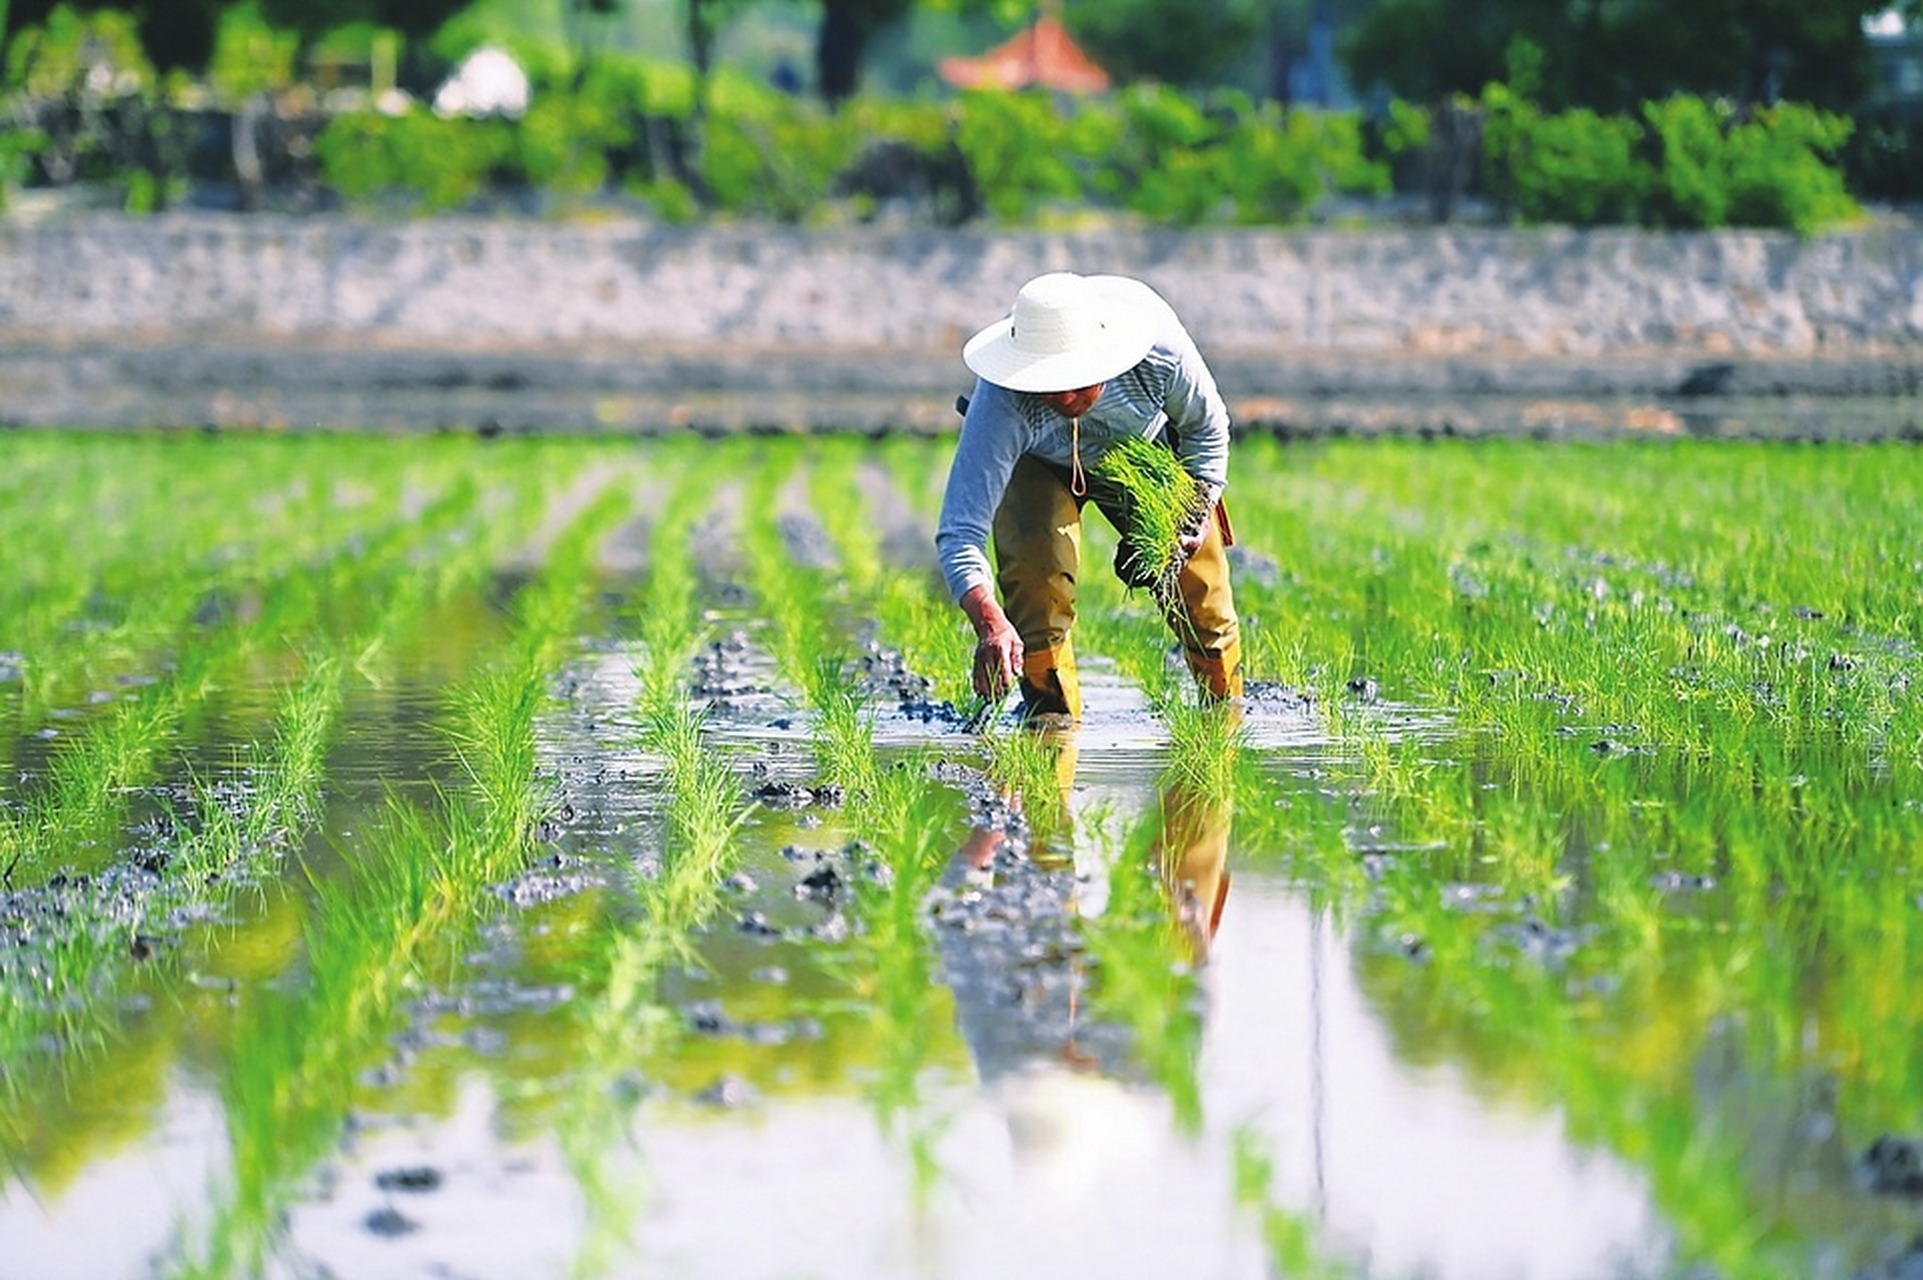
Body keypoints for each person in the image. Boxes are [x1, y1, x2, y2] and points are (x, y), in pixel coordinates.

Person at [937, 270, 1242, 720]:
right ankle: (1051, 725)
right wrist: (989, 623)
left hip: (1143, 451)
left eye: (1078, 379)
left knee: (1199, 592)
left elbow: (1207, 434)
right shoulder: (1003, 400)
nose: (1064, 395)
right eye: (1049, 383)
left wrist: (1193, 520)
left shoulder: (1159, 353)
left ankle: (1224, 710)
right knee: (1037, 590)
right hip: (1040, 464)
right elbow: (960, 532)